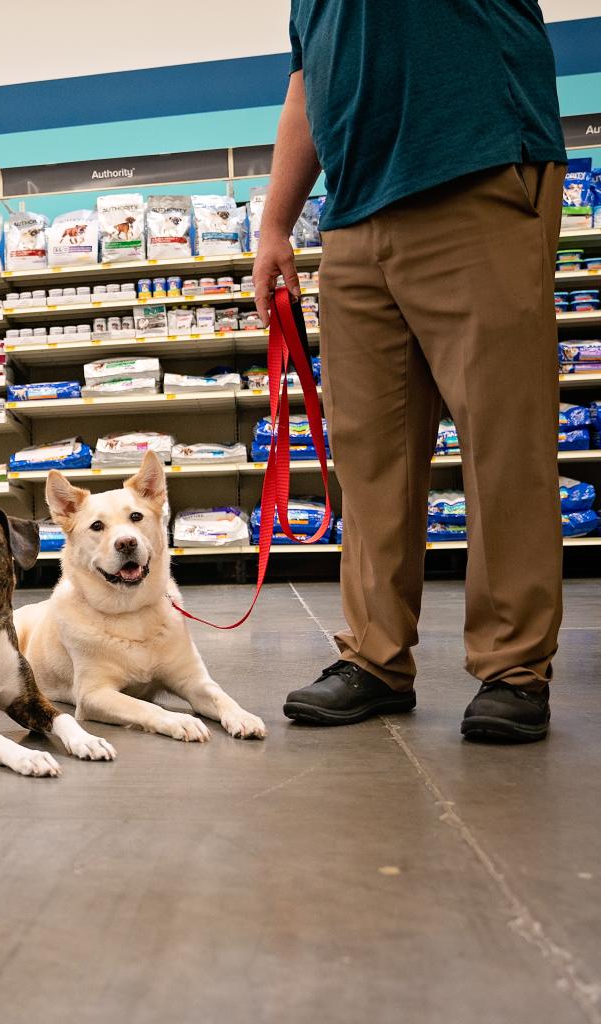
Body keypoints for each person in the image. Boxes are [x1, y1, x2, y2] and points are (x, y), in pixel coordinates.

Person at [253, 1, 567, 742]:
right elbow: (307, 81)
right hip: (354, 216)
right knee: (371, 457)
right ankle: (376, 656)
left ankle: (514, 667)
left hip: (478, 174)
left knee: (504, 444)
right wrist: (275, 222)